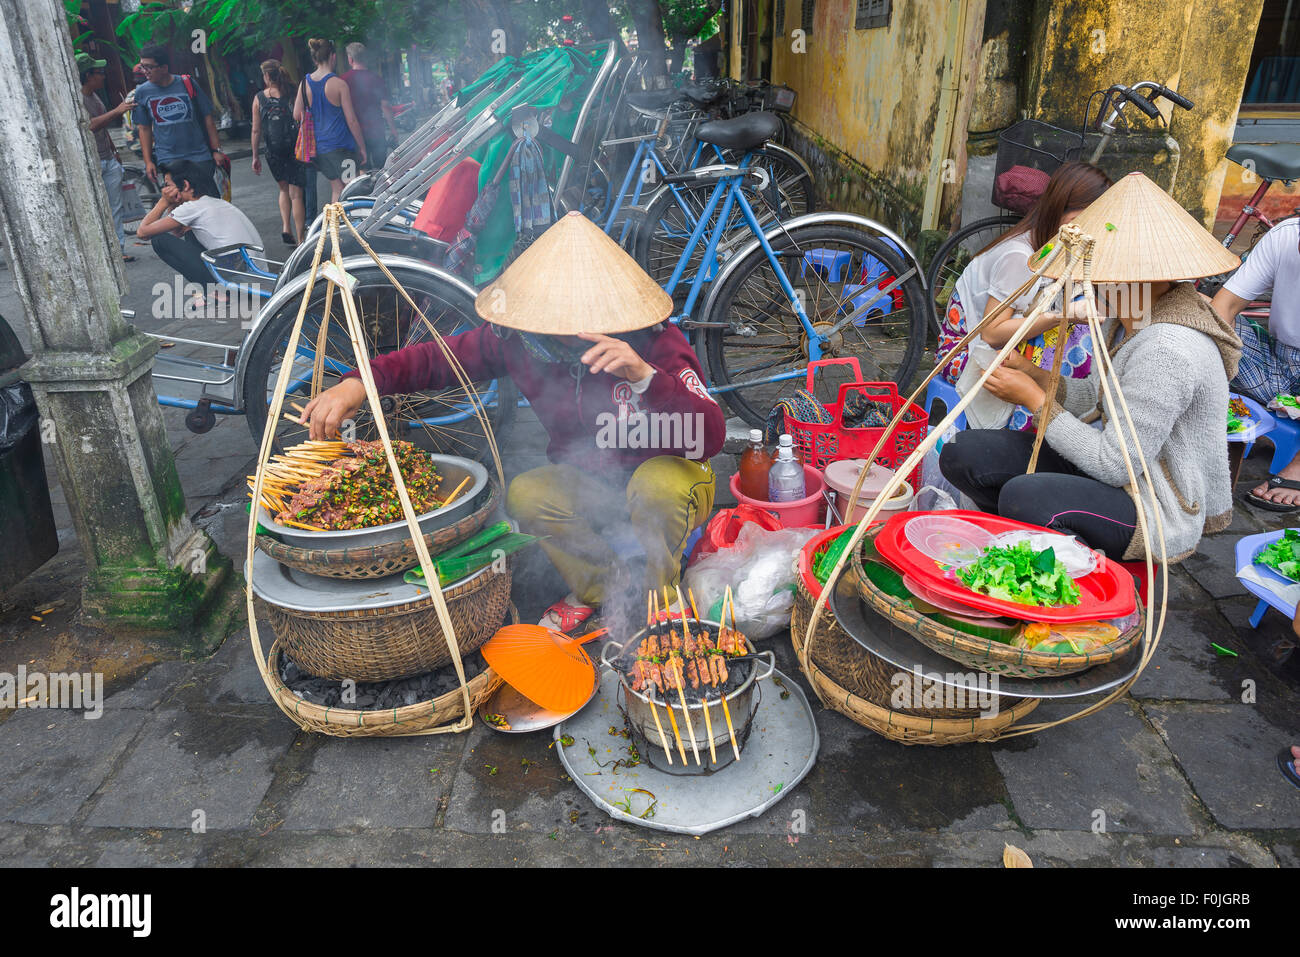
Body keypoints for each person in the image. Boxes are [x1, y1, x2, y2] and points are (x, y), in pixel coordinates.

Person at [297, 213, 725, 633]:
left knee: (657, 487)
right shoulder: (523, 340)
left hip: (672, 478)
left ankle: (658, 598)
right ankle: (604, 590)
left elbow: (710, 436)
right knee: (526, 493)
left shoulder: (653, 339)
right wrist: (359, 382)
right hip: (594, 483)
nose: (559, 329)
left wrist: (644, 378)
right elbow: (435, 359)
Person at [940, 173, 1242, 563]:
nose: (1090, 282)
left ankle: (1056, 564)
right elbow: (1096, 396)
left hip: (1153, 503)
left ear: (1131, 277)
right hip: (1115, 467)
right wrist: (1036, 376)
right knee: (965, 453)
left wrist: (1035, 400)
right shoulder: (1128, 316)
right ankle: (1025, 545)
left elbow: (1116, 465)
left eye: (1095, 272)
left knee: (1025, 497)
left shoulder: (1168, 349)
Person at [936, 162, 1111, 431]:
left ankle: (1061, 418)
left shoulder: (1054, 246)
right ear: (1060, 208)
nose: (1089, 229)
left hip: (1005, 348)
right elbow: (991, 333)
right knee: (1073, 337)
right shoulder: (1019, 256)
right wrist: (1063, 315)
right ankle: (1041, 430)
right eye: (1083, 219)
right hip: (969, 355)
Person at [1211, 217, 1300, 511]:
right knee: (1197, 308)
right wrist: (1213, 371)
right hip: (1280, 364)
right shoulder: (1285, 237)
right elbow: (1224, 306)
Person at [135, 160, 261, 300]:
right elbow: (177, 232)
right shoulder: (212, 202)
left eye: (167, 185)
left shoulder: (192, 208)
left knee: (159, 240)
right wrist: (172, 203)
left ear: (186, 185)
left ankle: (218, 292)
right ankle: (217, 291)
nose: (164, 191)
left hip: (241, 282)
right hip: (255, 278)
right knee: (190, 232)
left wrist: (163, 202)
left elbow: (142, 233)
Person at [131, 44, 225, 187]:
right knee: (179, 202)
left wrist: (217, 150)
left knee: (206, 199)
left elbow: (207, 118)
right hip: (168, 158)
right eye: (142, 67)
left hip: (199, 155)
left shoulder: (187, 84)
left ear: (164, 68)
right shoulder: (142, 92)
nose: (145, 72)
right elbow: (144, 129)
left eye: (149, 67)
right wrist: (148, 161)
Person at [78, 52, 135, 264]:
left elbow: (102, 129)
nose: (103, 76)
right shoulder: (77, 98)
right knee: (93, 209)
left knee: (115, 206)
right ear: (88, 75)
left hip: (107, 158)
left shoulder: (95, 96)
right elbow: (90, 125)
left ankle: (118, 250)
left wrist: (115, 151)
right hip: (90, 161)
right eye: (99, 72)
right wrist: (117, 111)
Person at [295, 38, 367, 203]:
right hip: (342, 147)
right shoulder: (339, 84)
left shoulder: (304, 83)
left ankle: (334, 227)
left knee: (337, 189)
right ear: (333, 57)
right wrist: (362, 147)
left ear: (315, 59)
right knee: (351, 190)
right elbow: (352, 121)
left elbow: (296, 114)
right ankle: (348, 226)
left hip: (320, 150)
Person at [251, 59, 305, 246]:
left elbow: (256, 130)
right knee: (296, 194)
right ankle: (300, 239)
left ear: (266, 76)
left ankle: (285, 227)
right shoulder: (290, 92)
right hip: (292, 148)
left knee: (283, 189)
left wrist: (255, 156)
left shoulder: (259, 98)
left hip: (273, 150)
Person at [341, 43, 397, 172]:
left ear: (350, 59)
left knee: (361, 171)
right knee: (380, 171)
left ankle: (364, 192)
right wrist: (393, 129)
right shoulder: (376, 79)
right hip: (376, 131)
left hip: (354, 134)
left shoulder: (343, 81)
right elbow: (386, 106)